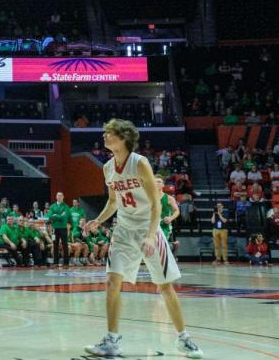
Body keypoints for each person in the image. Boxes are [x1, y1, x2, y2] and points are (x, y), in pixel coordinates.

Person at [82, 119, 203, 358]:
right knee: (112, 282)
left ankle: (184, 339)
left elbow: (156, 204)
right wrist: (98, 219)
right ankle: (111, 340)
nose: (104, 136)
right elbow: (114, 201)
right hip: (124, 230)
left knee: (165, 286)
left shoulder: (140, 163)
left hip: (148, 228)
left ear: (123, 137)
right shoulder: (107, 168)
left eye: (109, 133)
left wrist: (150, 236)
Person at [46, 190, 71, 270]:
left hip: (63, 228)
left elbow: (64, 217)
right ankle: (55, 263)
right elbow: (50, 216)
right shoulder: (52, 206)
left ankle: (66, 263)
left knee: (65, 245)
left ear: (63, 197)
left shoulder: (66, 206)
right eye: (58, 195)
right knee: (55, 245)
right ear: (56, 197)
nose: (59, 197)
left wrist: (55, 216)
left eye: (61, 195)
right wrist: (59, 216)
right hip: (54, 229)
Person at [156, 177, 180, 250]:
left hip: (164, 225)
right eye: (154, 182)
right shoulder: (147, 197)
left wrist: (171, 218)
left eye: (159, 182)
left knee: (161, 248)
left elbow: (177, 211)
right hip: (151, 225)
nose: (156, 183)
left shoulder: (169, 198)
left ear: (163, 185)